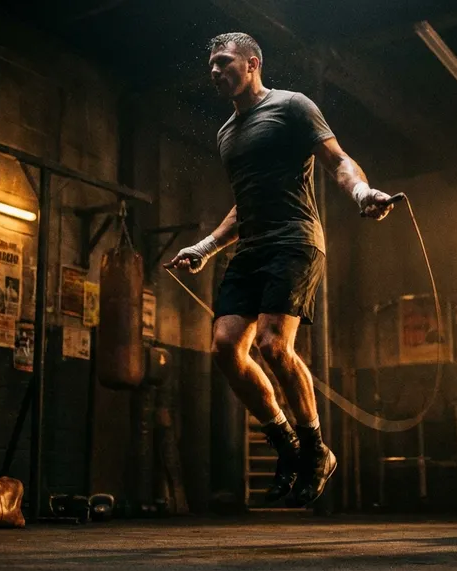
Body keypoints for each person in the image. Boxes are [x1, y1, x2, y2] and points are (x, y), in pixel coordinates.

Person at [166, 33, 396, 507]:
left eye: (223, 62)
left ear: (252, 63)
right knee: (226, 347)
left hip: (295, 239)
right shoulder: (226, 133)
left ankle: (315, 451)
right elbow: (244, 205)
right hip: (251, 247)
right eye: (210, 65)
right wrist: (205, 247)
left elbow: (337, 160)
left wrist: (361, 194)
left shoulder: (292, 105)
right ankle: (288, 445)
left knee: (273, 344)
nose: (214, 71)